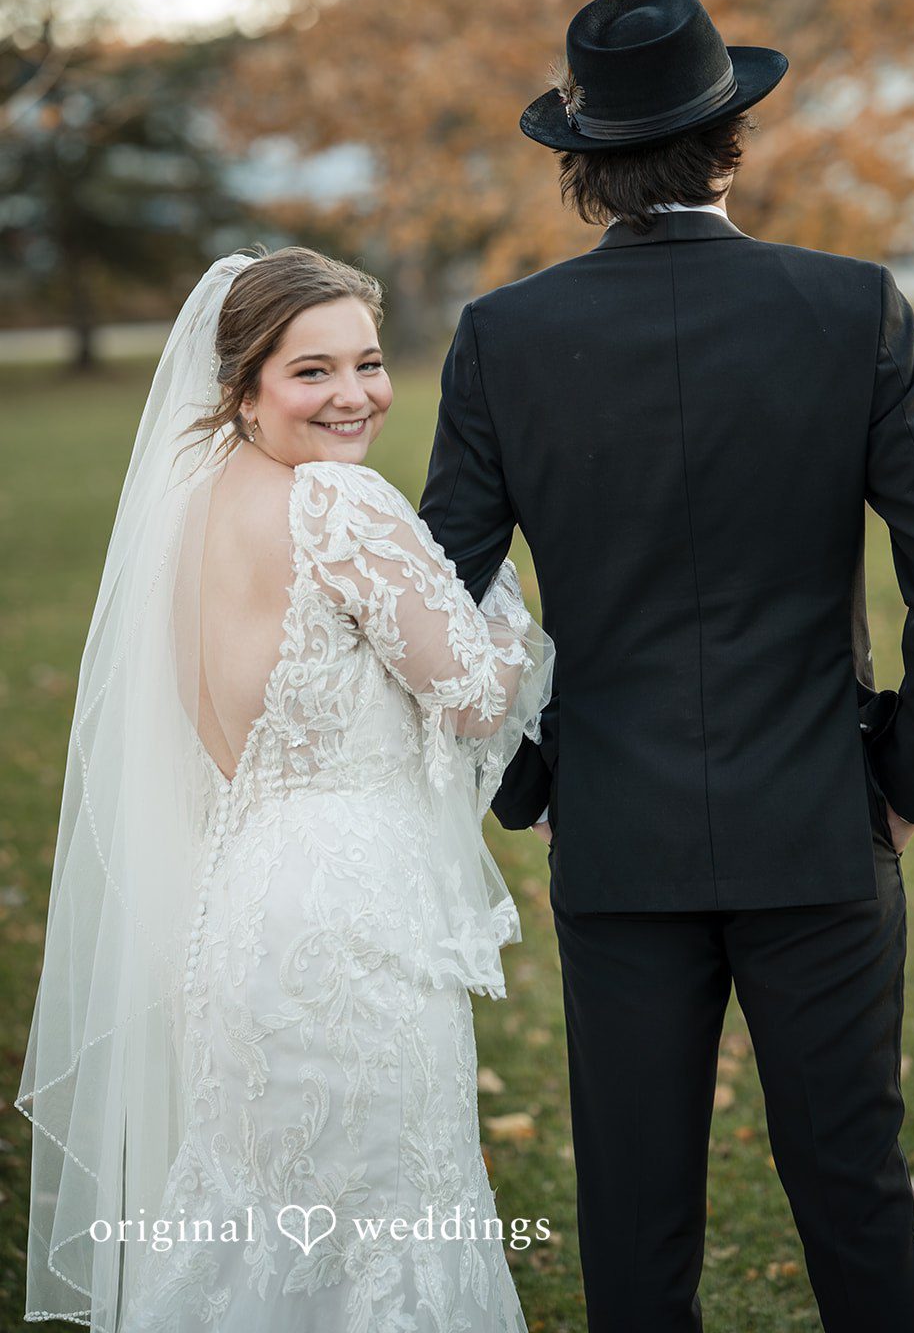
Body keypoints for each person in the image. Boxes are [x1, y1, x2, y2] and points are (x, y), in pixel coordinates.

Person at [418, 0, 914, 1332]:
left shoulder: (500, 336)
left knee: (631, 1228)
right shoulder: (850, 305)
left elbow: (433, 602)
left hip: (615, 840)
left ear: (580, 165)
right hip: (818, 823)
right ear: (728, 140)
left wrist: (530, 783)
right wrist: (906, 780)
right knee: (856, 1201)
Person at [17, 245, 554, 1332]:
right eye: (311, 372)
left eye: (365, 361)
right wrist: (498, 594)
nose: (353, 394)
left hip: (243, 902)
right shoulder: (336, 504)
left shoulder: (192, 510)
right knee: (391, 1222)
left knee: (266, 1227)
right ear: (242, 385)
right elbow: (468, 696)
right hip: (348, 923)